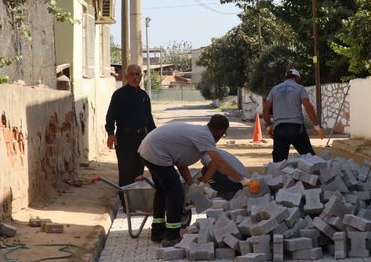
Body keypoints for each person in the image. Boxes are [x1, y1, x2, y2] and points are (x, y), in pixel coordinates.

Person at [138, 114, 260, 246]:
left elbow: (181, 163)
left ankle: (157, 233)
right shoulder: (206, 136)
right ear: (221, 130)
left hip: (147, 149)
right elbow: (218, 163)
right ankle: (172, 236)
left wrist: (192, 185)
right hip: (156, 152)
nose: (222, 136)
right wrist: (244, 181)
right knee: (176, 194)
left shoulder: (198, 133)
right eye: (223, 134)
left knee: (162, 191)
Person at [105, 64, 156, 210]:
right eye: (132, 74)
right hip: (125, 138)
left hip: (142, 138)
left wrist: (155, 135)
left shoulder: (144, 96)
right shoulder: (119, 94)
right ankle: (126, 204)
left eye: (138, 74)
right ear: (126, 77)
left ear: (141, 76)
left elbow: (149, 119)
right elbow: (110, 116)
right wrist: (110, 133)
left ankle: (136, 202)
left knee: (138, 171)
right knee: (126, 171)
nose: (135, 77)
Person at [263, 68, 326, 162]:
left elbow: (266, 109)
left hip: (279, 129)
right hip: (296, 128)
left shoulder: (274, 89)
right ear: (297, 78)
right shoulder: (299, 88)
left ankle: (280, 176)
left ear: (286, 78)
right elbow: (309, 108)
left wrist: (269, 127)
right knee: (310, 159)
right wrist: (317, 127)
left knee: (279, 163)